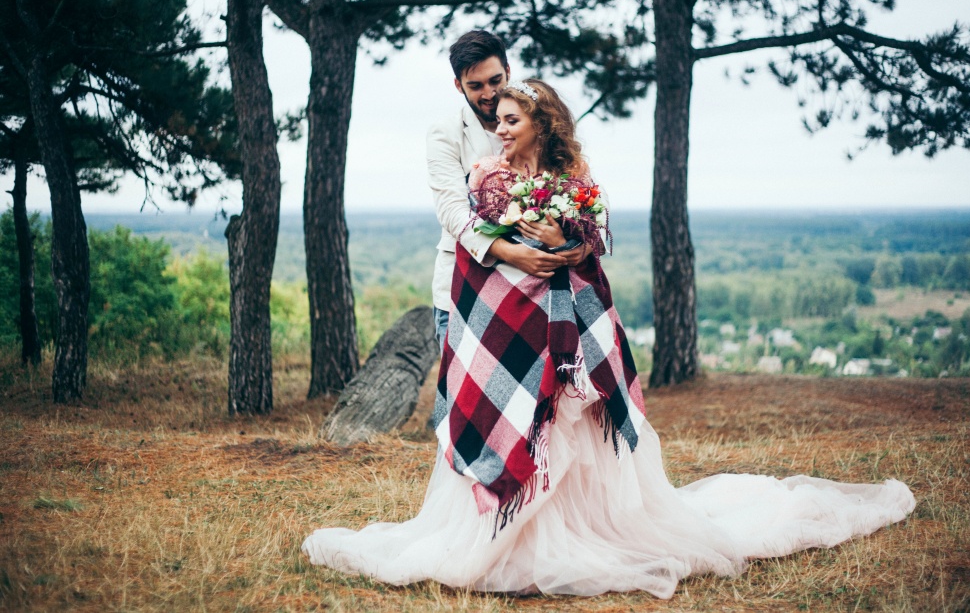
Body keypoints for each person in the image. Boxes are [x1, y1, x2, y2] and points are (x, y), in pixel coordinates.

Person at [301, 79, 915, 599]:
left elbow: (593, 237)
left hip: (571, 331)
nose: (500, 128)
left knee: (575, 430)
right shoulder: (486, 175)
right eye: (498, 119)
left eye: (511, 120)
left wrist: (569, 242)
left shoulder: (574, 178)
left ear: (541, 125)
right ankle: (503, 537)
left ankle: (576, 533)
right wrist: (526, 245)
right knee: (516, 419)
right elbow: (476, 242)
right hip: (511, 326)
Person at [423, 30, 587, 350]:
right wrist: (510, 253)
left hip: (539, 295)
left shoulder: (539, 117)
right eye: (475, 86)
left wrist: (582, 246)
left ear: (508, 71)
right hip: (464, 289)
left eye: (495, 80)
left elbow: (583, 182)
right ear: (458, 85)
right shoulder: (445, 133)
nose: (489, 93)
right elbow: (452, 211)